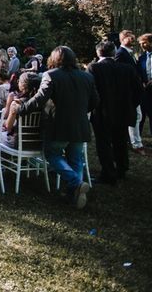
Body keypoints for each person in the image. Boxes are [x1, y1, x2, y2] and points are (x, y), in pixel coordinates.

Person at [18, 46, 99, 209]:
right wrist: (81, 112)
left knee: (52, 154)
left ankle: (76, 183)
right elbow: (95, 101)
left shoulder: (51, 75)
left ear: (55, 59)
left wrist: (22, 109)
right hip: (80, 124)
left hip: (58, 124)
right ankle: (73, 196)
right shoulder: (87, 77)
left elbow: (40, 99)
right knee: (76, 158)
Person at [88, 40, 142, 184]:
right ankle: (122, 169)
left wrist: (93, 107)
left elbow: (91, 92)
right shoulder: (127, 69)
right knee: (121, 141)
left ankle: (108, 173)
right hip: (123, 111)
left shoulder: (94, 68)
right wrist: (130, 105)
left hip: (102, 112)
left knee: (103, 143)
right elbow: (138, 91)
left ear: (98, 53)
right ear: (114, 52)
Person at [115, 30, 147, 154]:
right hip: (128, 91)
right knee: (135, 116)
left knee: (137, 116)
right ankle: (135, 143)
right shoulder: (120, 53)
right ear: (123, 39)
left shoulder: (128, 53)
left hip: (134, 90)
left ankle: (136, 142)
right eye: (130, 38)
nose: (133, 40)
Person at [2, 72, 40, 148]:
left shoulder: (17, 103)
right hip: (38, 143)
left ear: (23, 85)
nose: (17, 82)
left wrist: (4, 123)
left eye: (19, 81)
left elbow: (8, 127)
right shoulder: (41, 103)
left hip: (18, 143)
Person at [137, 33, 152, 138]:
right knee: (141, 115)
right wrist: (141, 81)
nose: (142, 45)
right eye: (140, 43)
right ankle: (138, 139)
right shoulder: (141, 58)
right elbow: (138, 72)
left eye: (144, 43)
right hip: (145, 90)